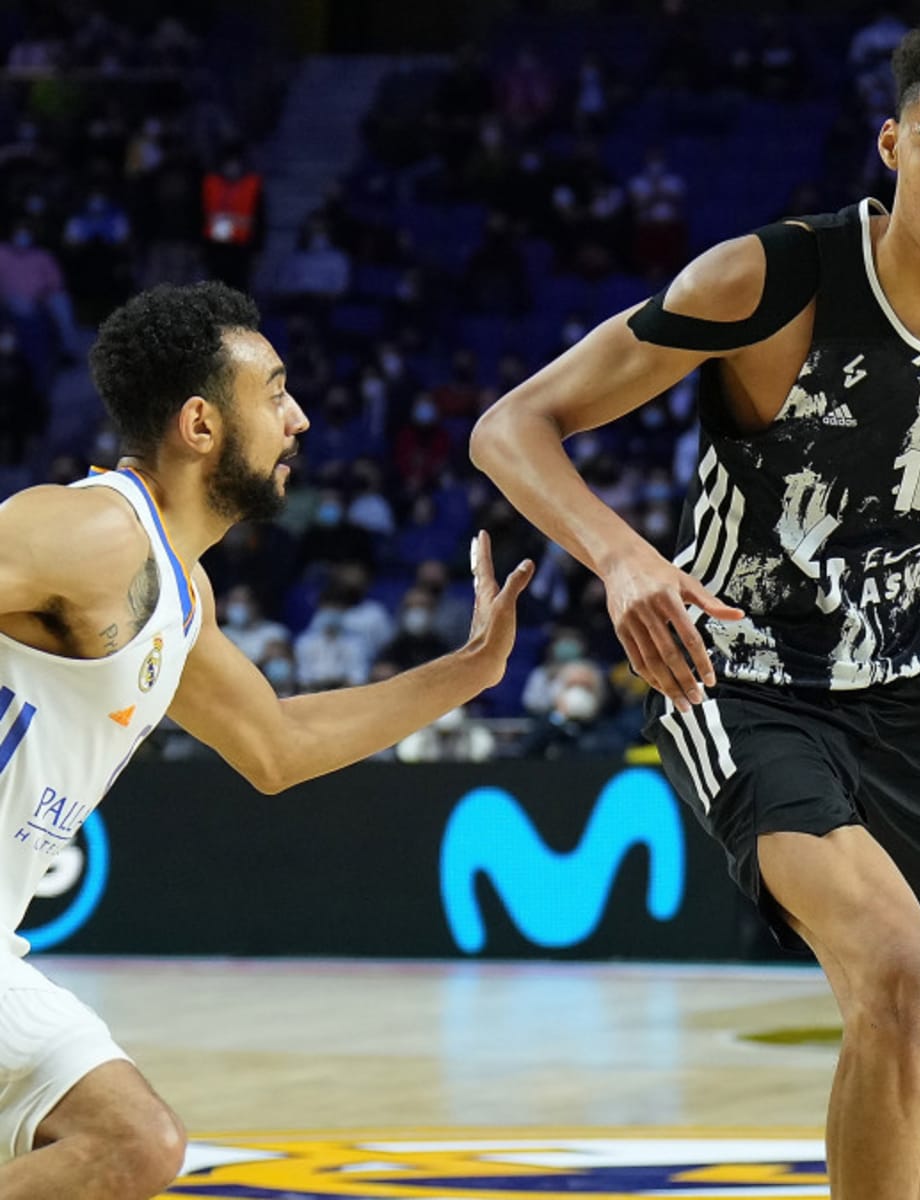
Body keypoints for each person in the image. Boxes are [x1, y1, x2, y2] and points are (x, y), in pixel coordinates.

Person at [470, 13, 920, 1199]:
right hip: (740, 683)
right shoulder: (768, 279)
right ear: (890, 144)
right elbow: (510, 426)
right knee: (899, 973)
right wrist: (621, 557)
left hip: (909, 709)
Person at [0, 280, 532, 1198]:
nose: (300, 419)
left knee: (132, 1147)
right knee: (131, 1142)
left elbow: (277, 743)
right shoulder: (88, 532)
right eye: (275, 392)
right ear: (201, 425)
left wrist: (469, 673)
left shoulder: (179, 592)